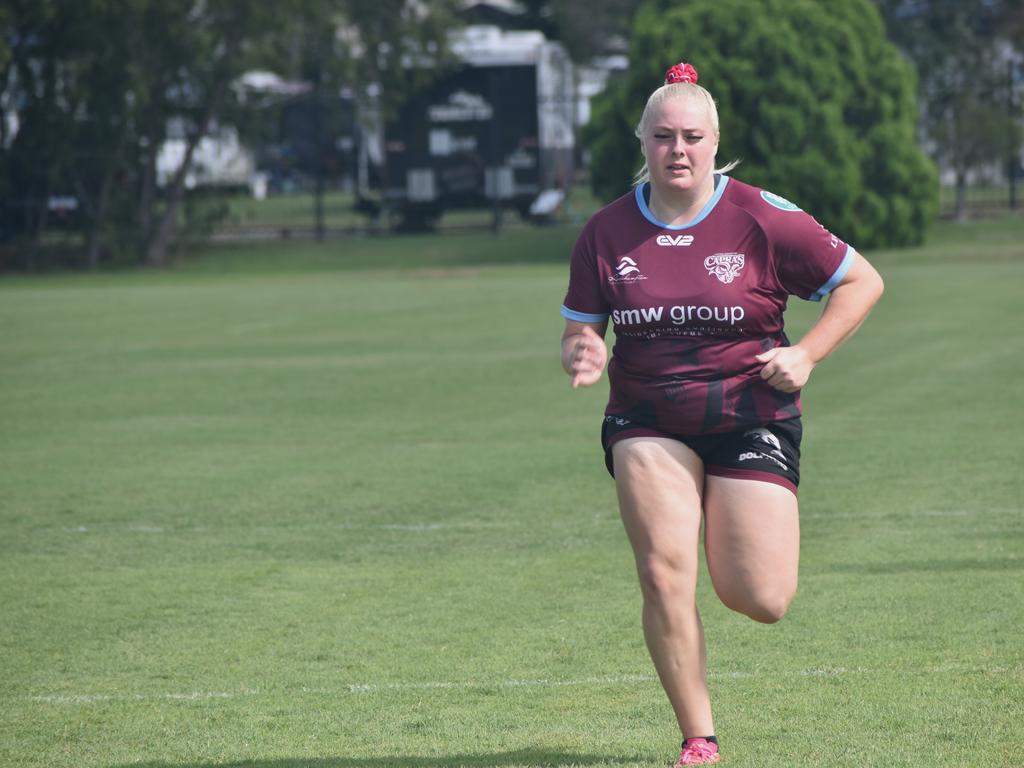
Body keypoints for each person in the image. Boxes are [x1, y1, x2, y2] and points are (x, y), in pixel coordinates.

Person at [559, 62, 884, 766]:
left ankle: (730, 526)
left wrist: (808, 357)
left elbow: (862, 281)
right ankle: (699, 739)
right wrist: (583, 351)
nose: (678, 150)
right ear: (642, 141)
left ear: (715, 143)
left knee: (760, 596)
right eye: (664, 137)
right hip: (647, 416)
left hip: (751, 414)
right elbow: (582, 328)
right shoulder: (606, 231)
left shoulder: (763, 217)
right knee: (663, 573)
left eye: (692, 137)